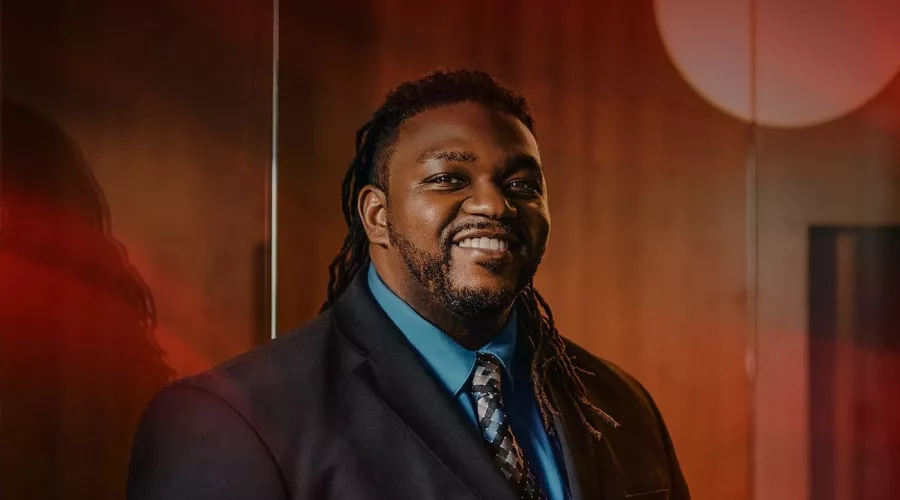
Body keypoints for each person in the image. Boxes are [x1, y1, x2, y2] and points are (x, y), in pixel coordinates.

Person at [126, 69, 690, 500]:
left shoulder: (621, 404)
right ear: (376, 216)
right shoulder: (232, 421)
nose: (495, 204)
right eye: (448, 178)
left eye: (521, 183)